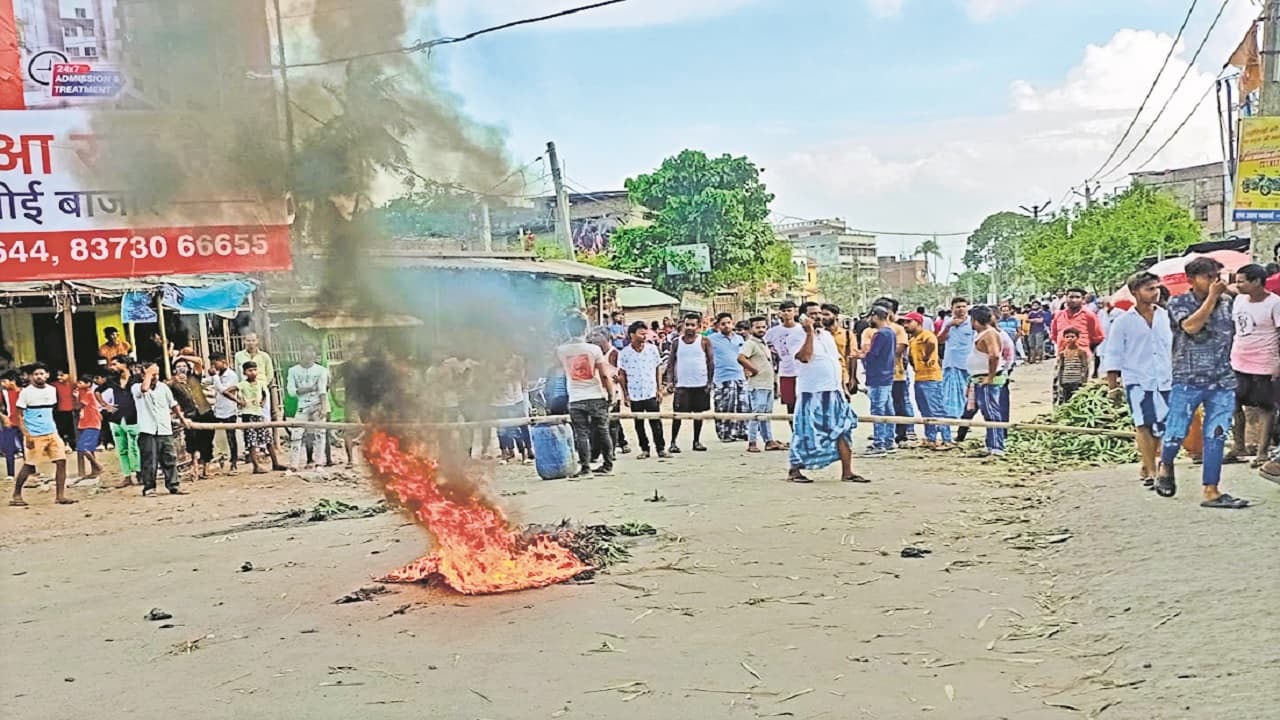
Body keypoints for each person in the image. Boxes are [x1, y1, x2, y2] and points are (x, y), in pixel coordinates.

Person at [1156, 257, 1249, 509]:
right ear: (1191, 280)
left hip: (1221, 378)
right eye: (1207, 277)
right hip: (1188, 378)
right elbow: (1191, 327)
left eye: (1215, 276)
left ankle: (1211, 489)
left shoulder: (1228, 302)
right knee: (1176, 431)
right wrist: (1211, 298)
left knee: (1216, 434)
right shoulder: (1178, 302)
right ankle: (1165, 465)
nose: (1213, 281)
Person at [1103, 272, 1172, 489]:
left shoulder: (1167, 317)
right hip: (1137, 379)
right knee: (1143, 425)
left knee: (1161, 425)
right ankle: (1152, 471)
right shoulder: (1123, 322)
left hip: (1165, 378)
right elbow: (1113, 354)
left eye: (1156, 288)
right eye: (1149, 288)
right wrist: (1112, 386)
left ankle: (1147, 461)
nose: (1155, 292)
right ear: (1135, 292)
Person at [787, 302, 863, 483]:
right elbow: (805, 357)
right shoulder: (795, 335)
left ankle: (847, 472)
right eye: (813, 314)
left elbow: (836, 362)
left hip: (834, 390)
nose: (818, 317)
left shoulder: (827, 335)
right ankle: (795, 469)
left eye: (820, 313)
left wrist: (843, 387)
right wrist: (809, 333)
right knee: (806, 431)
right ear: (803, 317)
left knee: (843, 428)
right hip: (811, 391)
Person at [1225, 263, 1280, 465]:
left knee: (1266, 407)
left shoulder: (1275, 303)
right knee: (1234, 403)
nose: (1237, 285)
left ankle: (1262, 451)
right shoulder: (1239, 300)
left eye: (1242, 281)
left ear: (1257, 281)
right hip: (1239, 360)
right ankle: (1239, 446)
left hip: (1264, 361)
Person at [557, 313, 615, 476]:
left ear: (568, 329)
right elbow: (604, 375)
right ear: (586, 329)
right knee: (603, 430)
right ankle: (608, 464)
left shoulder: (561, 351)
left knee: (581, 433)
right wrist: (611, 393)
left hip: (576, 397)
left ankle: (585, 468)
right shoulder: (594, 349)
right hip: (595, 395)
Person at [9, 364, 74, 506]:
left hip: (51, 431)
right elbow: (19, 415)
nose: (39, 376)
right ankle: (16, 494)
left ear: (47, 375)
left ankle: (60, 496)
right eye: (36, 374)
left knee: (61, 461)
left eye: (41, 373)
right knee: (30, 465)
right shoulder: (26, 393)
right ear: (32, 377)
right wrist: (27, 435)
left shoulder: (52, 390)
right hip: (34, 434)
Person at [133, 362, 187, 496]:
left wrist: (182, 419)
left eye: (157, 374)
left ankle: (173, 485)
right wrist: (148, 373)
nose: (155, 377)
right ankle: (149, 488)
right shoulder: (136, 387)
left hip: (164, 428)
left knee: (170, 458)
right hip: (147, 429)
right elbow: (144, 389)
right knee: (149, 461)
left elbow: (173, 404)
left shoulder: (163, 387)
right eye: (152, 374)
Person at [617, 321, 668, 459]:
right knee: (639, 423)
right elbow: (622, 375)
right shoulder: (624, 353)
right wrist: (625, 394)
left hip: (650, 391)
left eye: (646, 334)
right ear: (632, 335)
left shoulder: (652, 349)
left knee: (656, 422)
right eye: (641, 334)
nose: (644, 336)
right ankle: (645, 449)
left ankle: (661, 448)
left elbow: (658, 369)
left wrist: (659, 388)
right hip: (635, 393)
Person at [902, 312, 952, 450]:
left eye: (909, 322)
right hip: (919, 377)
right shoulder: (912, 339)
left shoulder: (927, 335)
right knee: (925, 410)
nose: (906, 325)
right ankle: (931, 438)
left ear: (918, 323)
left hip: (931, 378)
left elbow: (931, 343)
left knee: (937, 409)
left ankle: (946, 438)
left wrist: (927, 356)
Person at [665, 313, 713, 454]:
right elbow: (671, 362)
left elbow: (711, 362)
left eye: (693, 325)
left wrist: (709, 382)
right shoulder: (676, 342)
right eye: (687, 324)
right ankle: (673, 442)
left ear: (698, 327)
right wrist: (670, 381)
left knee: (698, 415)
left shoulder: (704, 341)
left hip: (700, 383)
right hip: (682, 385)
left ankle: (696, 441)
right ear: (682, 325)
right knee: (677, 415)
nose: (689, 328)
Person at [739, 315, 784, 453]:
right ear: (751, 328)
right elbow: (741, 357)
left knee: (766, 414)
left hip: (768, 383)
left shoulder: (763, 344)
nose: (761, 330)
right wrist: (753, 369)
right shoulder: (750, 344)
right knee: (757, 414)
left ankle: (768, 440)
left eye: (763, 327)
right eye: (757, 327)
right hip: (758, 384)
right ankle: (752, 442)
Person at [968, 306, 1008, 457]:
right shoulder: (983, 334)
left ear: (975, 320)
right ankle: (991, 444)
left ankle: (997, 446)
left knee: (992, 412)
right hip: (980, 377)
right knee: (987, 412)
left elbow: (994, 356)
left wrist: (990, 377)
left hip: (987, 378)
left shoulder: (989, 334)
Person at [860, 307, 898, 457]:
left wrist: (861, 356)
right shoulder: (891, 333)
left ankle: (879, 443)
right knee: (888, 409)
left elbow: (873, 355)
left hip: (877, 376)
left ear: (876, 317)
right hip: (887, 375)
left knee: (877, 409)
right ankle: (889, 440)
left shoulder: (880, 334)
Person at [286, 346, 331, 470]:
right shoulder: (293, 371)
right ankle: (294, 465)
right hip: (302, 406)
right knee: (296, 433)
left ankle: (319, 463)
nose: (308, 354)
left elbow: (322, 390)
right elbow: (291, 391)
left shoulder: (321, 370)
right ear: (301, 353)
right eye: (306, 351)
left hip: (317, 404)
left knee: (320, 433)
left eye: (311, 351)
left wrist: (324, 407)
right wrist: (310, 389)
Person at [170, 360, 215, 479]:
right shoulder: (173, 383)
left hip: (205, 412)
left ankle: (206, 468)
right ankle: (194, 467)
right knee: (192, 441)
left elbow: (199, 363)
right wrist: (174, 380)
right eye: (178, 366)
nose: (181, 368)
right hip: (190, 415)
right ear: (174, 369)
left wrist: (182, 356)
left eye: (184, 366)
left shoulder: (194, 378)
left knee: (207, 441)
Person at [709, 312, 749, 443]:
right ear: (718, 325)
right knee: (725, 406)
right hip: (722, 377)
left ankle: (741, 432)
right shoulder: (711, 339)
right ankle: (725, 433)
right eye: (723, 324)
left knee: (742, 406)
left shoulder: (739, 339)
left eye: (728, 323)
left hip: (739, 376)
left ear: (732, 323)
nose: (726, 326)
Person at [102, 358, 141, 488]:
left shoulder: (136, 379)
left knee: (135, 446)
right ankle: (127, 476)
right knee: (122, 449)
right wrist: (106, 406)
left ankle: (139, 473)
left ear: (125, 365)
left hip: (133, 416)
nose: (112, 367)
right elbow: (97, 391)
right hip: (116, 417)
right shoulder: (112, 380)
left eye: (115, 364)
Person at [765, 301, 807, 421]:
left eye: (789, 310)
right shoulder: (773, 332)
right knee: (790, 405)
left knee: (805, 403)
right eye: (784, 311)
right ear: (780, 313)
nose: (787, 313)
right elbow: (764, 345)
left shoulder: (803, 330)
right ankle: (794, 434)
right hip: (786, 371)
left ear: (795, 312)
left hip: (802, 372)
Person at [236, 361, 279, 474]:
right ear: (245, 372)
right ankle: (256, 466)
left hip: (258, 413)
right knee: (252, 441)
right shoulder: (242, 384)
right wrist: (239, 401)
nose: (253, 372)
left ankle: (275, 463)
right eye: (250, 370)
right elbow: (227, 391)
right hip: (248, 414)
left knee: (268, 439)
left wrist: (263, 402)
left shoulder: (260, 383)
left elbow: (264, 393)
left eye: (255, 370)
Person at [1050, 288, 1105, 375]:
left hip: (1082, 357)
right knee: (1060, 384)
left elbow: (1098, 337)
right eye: (1071, 297)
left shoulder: (1089, 315)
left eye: (1077, 297)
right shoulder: (1058, 315)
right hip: (1062, 356)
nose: (1074, 300)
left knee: (1082, 386)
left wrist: (1085, 348)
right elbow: (1054, 335)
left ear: (1083, 299)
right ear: (1066, 298)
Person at [938, 297, 975, 422]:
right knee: (951, 391)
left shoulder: (972, 322)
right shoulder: (947, 322)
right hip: (952, 362)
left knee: (967, 391)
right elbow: (940, 340)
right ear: (952, 309)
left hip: (968, 362)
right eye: (958, 307)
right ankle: (952, 416)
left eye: (963, 306)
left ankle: (964, 417)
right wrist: (948, 326)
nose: (961, 309)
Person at [209, 353, 241, 473]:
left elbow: (223, 390)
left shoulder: (231, 375)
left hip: (229, 410)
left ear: (223, 362)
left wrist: (215, 377)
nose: (214, 366)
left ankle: (234, 463)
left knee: (231, 437)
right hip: (218, 409)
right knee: (215, 436)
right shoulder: (217, 375)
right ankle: (218, 458)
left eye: (215, 363)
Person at [73, 374, 104, 480]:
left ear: (88, 384)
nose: (78, 384)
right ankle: (94, 470)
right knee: (89, 448)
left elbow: (78, 406)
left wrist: (76, 397)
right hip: (85, 422)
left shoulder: (88, 393)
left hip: (92, 422)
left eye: (81, 382)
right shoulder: (83, 392)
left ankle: (97, 466)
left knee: (82, 447)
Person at [1054, 329, 1092, 404]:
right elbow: (1061, 368)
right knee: (1066, 400)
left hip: (1077, 381)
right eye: (1067, 337)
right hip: (1066, 381)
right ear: (1064, 338)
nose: (1070, 339)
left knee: (1077, 400)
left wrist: (1084, 381)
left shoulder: (1081, 352)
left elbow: (1085, 367)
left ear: (1077, 338)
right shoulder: (1062, 354)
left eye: (1072, 336)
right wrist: (1060, 381)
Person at [0, 371, 21, 481]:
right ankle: (10, 474)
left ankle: (32, 472)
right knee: (9, 449)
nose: (2, 384)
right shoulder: (3, 393)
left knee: (28, 448)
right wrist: (3, 417)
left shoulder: (22, 392)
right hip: (9, 423)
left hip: (23, 423)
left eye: (4, 381)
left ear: (12, 381)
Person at [51, 369, 75, 445]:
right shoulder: (54, 385)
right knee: (61, 429)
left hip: (72, 410)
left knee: (72, 429)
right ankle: (64, 444)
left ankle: (72, 444)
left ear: (68, 375)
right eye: (58, 375)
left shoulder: (73, 384)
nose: (59, 377)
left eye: (62, 375)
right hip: (60, 410)